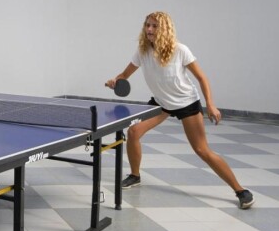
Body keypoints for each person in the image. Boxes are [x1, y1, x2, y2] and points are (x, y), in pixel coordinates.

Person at [105, 11, 254, 209]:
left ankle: (240, 190)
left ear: (164, 29)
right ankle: (135, 175)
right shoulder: (142, 51)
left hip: (186, 103)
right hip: (161, 103)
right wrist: (115, 81)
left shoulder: (180, 50)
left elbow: (202, 78)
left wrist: (210, 104)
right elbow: (124, 75)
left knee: (201, 150)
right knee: (133, 132)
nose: (149, 29)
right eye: (147, 25)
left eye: (154, 26)